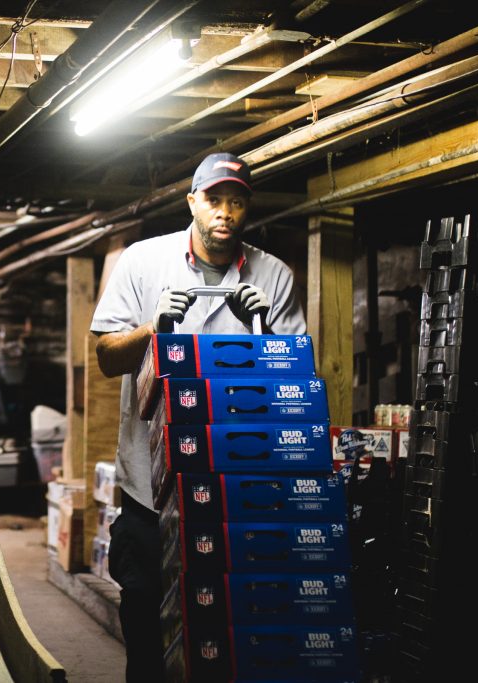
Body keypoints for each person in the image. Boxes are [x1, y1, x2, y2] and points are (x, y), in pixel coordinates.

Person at [89, 152, 306, 680]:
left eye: (236, 202)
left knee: (233, 619)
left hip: (238, 481)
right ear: (193, 202)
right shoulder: (142, 262)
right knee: (144, 614)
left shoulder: (273, 276)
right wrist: (152, 329)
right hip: (149, 484)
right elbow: (104, 357)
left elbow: (296, 384)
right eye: (214, 200)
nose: (224, 212)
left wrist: (266, 334)